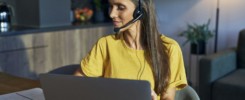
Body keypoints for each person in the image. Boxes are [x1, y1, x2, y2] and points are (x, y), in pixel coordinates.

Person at [74, 0, 187, 100]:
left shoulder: (169, 48)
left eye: (120, 7)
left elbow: (167, 97)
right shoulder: (105, 45)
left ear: (140, 10)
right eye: (111, 6)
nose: (112, 14)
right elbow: (75, 84)